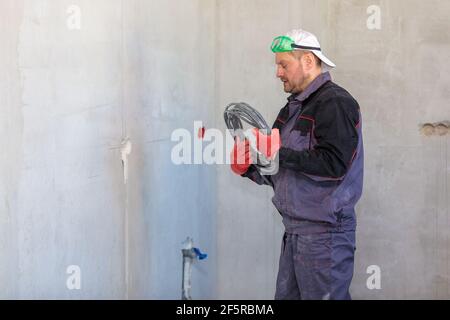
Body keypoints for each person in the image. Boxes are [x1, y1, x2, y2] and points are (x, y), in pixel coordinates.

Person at [230, 29, 364, 300]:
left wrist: (278, 153)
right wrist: (250, 169)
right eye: (277, 65)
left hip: (325, 236)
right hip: (295, 234)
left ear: (308, 62)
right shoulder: (292, 109)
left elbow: (335, 164)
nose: (278, 73)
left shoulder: (335, 103)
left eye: (283, 65)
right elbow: (280, 169)